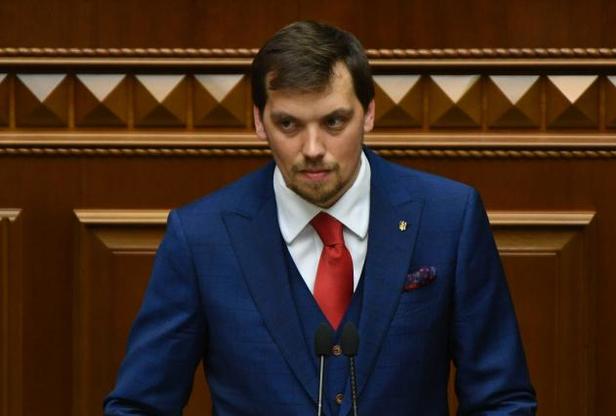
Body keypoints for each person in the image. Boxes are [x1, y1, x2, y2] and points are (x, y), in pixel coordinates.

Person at [104, 21, 536, 415]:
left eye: (333, 121)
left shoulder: (450, 218)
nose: (312, 149)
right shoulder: (200, 237)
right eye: (288, 124)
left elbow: (501, 401)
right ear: (259, 122)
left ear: (369, 113)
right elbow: (139, 406)